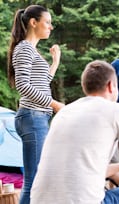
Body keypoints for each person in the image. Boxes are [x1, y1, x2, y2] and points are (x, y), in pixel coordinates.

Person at [30, 60, 119, 204]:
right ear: (111, 86)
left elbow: (82, 172)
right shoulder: (117, 111)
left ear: (84, 86)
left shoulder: (64, 113)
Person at [7, 5, 64, 204]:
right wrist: (55, 104)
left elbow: (40, 84)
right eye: (47, 22)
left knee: (37, 178)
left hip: (37, 117)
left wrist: (55, 62)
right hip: (32, 116)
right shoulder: (24, 48)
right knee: (34, 181)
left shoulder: (31, 50)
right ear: (33, 22)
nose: (51, 26)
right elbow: (23, 86)